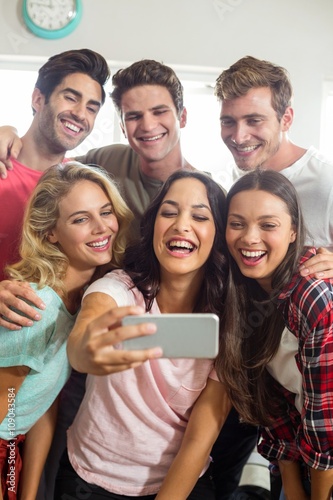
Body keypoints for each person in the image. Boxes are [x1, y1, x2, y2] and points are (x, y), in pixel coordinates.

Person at [1, 57, 332, 500]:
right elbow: (61, 182)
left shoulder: (302, 186)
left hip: (280, 379)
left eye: (253, 120)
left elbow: (208, 427)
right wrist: (12, 139)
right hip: (81, 404)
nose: (240, 134)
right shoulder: (106, 167)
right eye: (133, 115)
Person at [54, 170, 231, 499]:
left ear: (218, 235)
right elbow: (88, 327)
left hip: (179, 479)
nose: (181, 225)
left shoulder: (230, 323)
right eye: (169, 212)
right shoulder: (119, 286)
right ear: (153, 227)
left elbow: (200, 437)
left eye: (199, 215)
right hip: (88, 478)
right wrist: (85, 352)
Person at [0, 161, 136, 500]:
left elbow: (42, 406)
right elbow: (7, 403)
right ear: (50, 232)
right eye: (80, 219)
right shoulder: (37, 308)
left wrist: (27, 493)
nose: (101, 227)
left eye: (106, 212)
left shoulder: (85, 304)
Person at [216, 168, 333, 500]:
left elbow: (326, 426)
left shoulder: (313, 294)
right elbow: (274, 406)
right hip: (300, 455)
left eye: (268, 225)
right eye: (237, 224)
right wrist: (294, 487)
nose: (250, 238)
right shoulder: (242, 292)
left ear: (294, 231)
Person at [0, 48, 110, 282]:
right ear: (38, 99)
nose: (81, 114)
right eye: (70, 98)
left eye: (92, 108)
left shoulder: (81, 183)